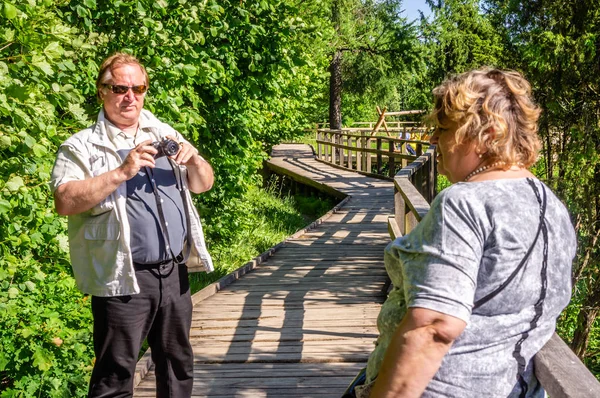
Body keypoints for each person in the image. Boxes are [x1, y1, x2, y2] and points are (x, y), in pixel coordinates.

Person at [354, 68, 577, 397]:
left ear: (482, 133)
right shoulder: (551, 205)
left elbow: (434, 328)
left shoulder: (463, 204)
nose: (433, 140)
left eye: (443, 129)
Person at [50, 52, 214, 398]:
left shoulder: (164, 132)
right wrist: (122, 171)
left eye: (138, 88)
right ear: (101, 91)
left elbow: (203, 184)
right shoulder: (81, 145)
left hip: (173, 273)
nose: (130, 97)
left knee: (177, 365)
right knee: (116, 373)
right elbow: (64, 200)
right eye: (120, 88)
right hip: (124, 276)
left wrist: (196, 158)